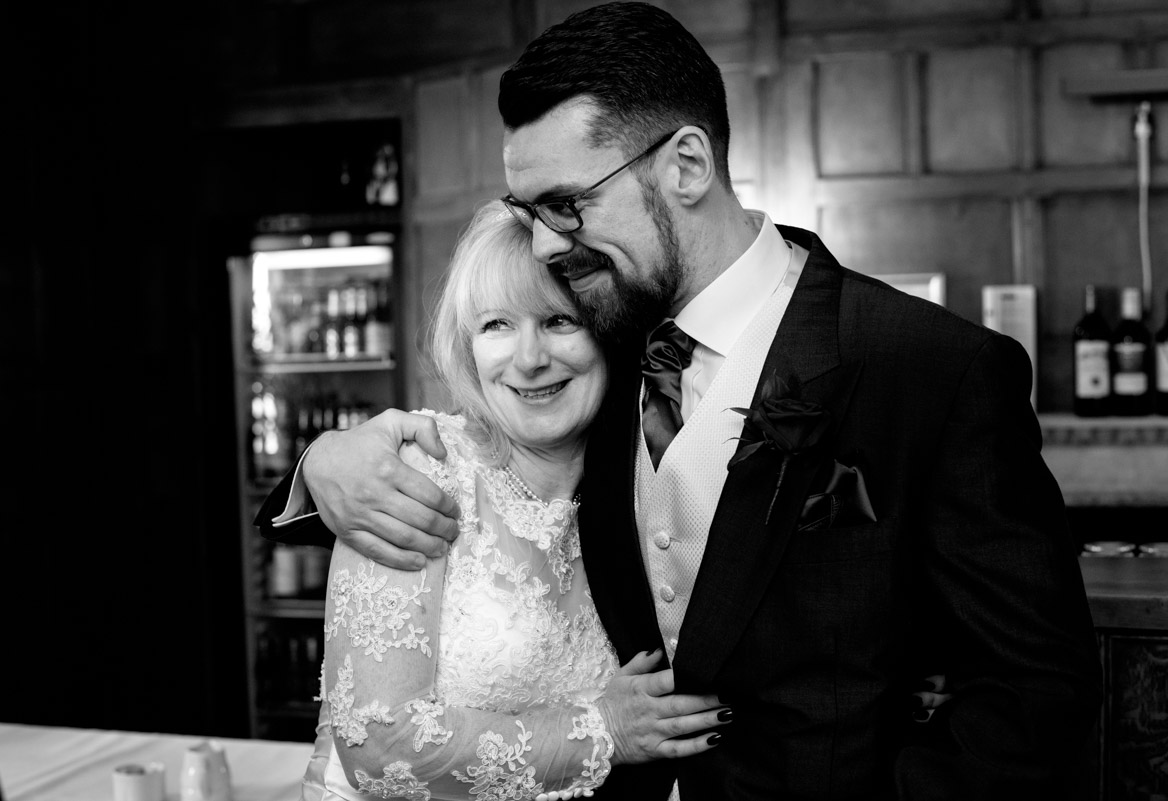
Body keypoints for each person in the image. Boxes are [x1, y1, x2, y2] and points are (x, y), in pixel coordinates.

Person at [260, 3, 1100, 799]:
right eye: (531, 210)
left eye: (567, 205)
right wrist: (323, 461)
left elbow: (1033, 694)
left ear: (687, 166)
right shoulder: (601, 344)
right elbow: (495, 455)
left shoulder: (930, 369)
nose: (548, 244)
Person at [292, 200, 733, 800]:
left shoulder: (647, 479)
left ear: (608, 333)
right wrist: (600, 730)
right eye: (496, 325)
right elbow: (375, 743)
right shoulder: (420, 472)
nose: (528, 360)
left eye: (558, 321)